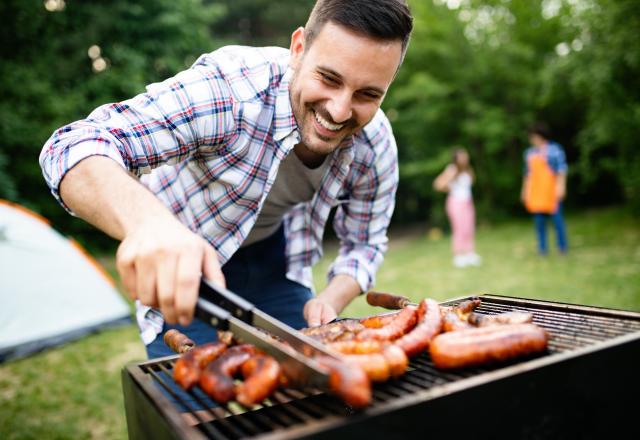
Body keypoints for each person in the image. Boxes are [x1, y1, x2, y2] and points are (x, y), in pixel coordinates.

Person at [39, 0, 413, 360]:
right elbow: (71, 146)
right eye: (328, 78)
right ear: (298, 48)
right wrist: (148, 226)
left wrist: (329, 301)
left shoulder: (374, 142)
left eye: (368, 94)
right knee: (197, 412)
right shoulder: (230, 91)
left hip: (277, 262)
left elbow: (364, 244)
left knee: (307, 399)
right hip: (186, 268)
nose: (339, 110)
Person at [520, 122, 568, 255]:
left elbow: (561, 170)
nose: (531, 140)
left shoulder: (555, 150)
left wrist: (561, 187)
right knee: (539, 223)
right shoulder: (529, 153)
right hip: (536, 192)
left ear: (540, 136)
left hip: (551, 190)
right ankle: (542, 249)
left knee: (557, 220)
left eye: (533, 136)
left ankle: (562, 247)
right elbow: (527, 175)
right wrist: (525, 191)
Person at [433, 147, 481, 268]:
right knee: (459, 228)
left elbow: (471, 182)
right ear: (456, 158)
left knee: (469, 228)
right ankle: (458, 255)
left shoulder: (468, 169)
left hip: (467, 202)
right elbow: (438, 184)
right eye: (462, 156)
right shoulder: (452, 169)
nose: (465, 158)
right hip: (455, 202)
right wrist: (450, 188)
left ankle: (470, 253)